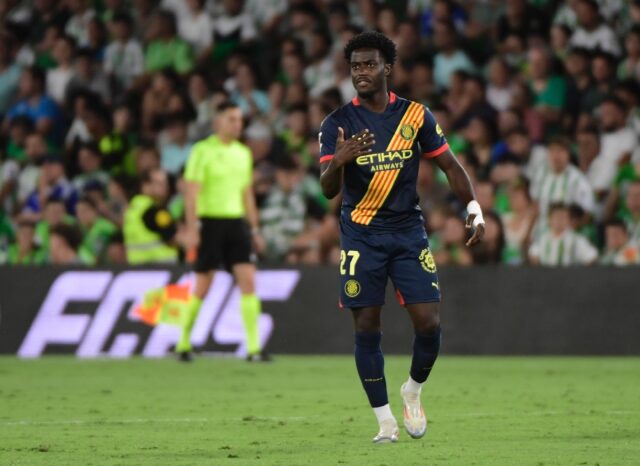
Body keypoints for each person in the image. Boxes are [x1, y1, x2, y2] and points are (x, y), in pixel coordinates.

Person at [318, 32, 484, 443]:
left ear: (387, 68)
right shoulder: (336, 124)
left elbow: (450, 165)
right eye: (355, 66)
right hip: (360, 236)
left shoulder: (415, 117)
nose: (361, 72)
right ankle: (385, 421)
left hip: (408, 232)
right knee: (367, 326)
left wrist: (474, 208)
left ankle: (413, 390)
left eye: (369, 64)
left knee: (429, 324)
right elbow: (326, 189)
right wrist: (339, 160)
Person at [182, 101, 266, 363]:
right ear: (218, 121)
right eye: (232, 119)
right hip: (209, 223)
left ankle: (253, 349)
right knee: (203, 287)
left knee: (249, 282)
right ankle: (183, 342)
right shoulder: (202, 151)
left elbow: (247, 194)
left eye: (239, 120)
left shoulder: (243, 153)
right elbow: (191, 194)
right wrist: (193, 228)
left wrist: (254, 229)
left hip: (236, 223)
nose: (237, 124)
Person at [122, 167, 179, 264]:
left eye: (165, 183)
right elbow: (174, 238)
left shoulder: (133, 207)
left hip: (139, 270)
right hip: (162, 269)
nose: (165, 187)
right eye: (159, 183)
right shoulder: (155, 211)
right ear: (145, 185)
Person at [528, 203, 598, 266]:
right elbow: (533, 254)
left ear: (568, 220)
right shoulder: (543, 239)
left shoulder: (576, 239)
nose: (559, 220)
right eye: (557, 217)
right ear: (549, 219)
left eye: (563, 217)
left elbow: (592, 256)